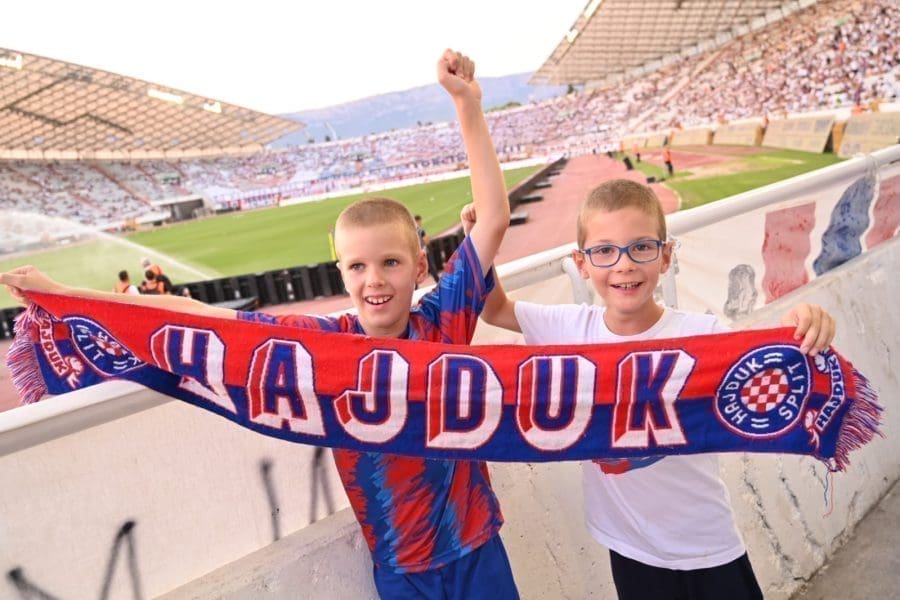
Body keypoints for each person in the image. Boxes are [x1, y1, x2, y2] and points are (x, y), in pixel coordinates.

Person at [2, 49, 518, 600]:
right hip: (397, 566)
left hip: (476, 546)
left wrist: (467, 105)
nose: (375, 280)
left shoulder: (442, 322)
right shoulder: (319, 346)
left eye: (390, 262)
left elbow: (493, 218)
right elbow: (201, 319)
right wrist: (66, 296)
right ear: (341, 274)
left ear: (419, 267)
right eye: (358, 266)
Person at [470, 178, 836, 600]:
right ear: (582, 263)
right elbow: (494, 308)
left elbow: (764, 367)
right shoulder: (569, 327)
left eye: (641, 247)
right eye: (604, 251)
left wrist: (805, 324)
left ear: (665, 256)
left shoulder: (702, 335)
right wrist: (480, 238)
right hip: (631, 549)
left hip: (708, 543)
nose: (624, 265)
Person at [414, 214, 442, 283]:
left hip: (416, 253)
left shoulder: (412, 231)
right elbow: (426, 241)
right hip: (424, 251)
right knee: (431, 266)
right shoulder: (421, 230)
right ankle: (438, 281)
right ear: (418, 221)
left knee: (417, 269)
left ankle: (416, 286)